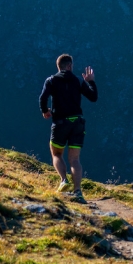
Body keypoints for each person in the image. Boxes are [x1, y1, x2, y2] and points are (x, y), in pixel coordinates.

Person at [39, 53, 98, 201]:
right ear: (70, 66)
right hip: (77, 122)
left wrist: (45, 111)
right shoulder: (78, 80)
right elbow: (93, 97)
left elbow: (43, 98)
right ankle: (77, 191)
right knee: (75, 159)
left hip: (60, 123)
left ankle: (63, 181)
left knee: (57, 154)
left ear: (59, 66)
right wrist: (91, 82)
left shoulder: (51, 80)